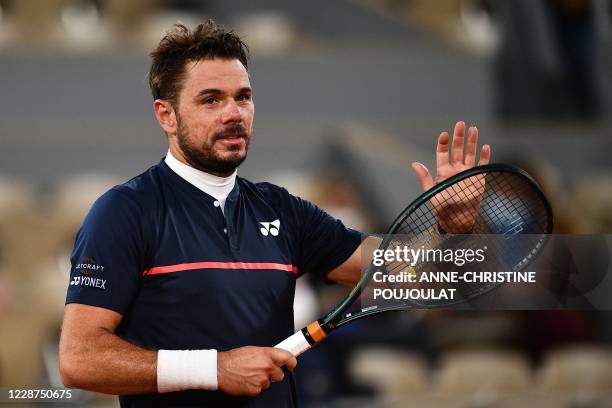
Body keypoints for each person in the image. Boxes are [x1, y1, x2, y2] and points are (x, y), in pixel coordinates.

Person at [58, 20, 491, 407]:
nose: (233, 113)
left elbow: (400, 273)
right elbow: (80, 360)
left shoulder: (283, 208)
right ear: (166, 115)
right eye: (211, 100)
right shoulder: (123, 211)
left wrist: (449, 228)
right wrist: (215, 369)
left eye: (242, 97)